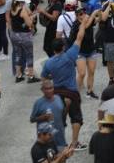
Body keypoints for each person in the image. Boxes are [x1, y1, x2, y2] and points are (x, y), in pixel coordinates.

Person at [41, 10, 96, 151]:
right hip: (71, 92)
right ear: (63, 47)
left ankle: (58, 144)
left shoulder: (48, 63)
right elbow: (79, 37)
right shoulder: (70, 55)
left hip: (57, 93)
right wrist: (83, 24)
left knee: (58, 121)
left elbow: (44, 78)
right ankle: (75, 143)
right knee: (76, 118)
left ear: (53, 50)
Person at [30, 80, 67, 151]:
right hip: (46, 139)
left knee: (62, 157)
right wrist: (42, 117)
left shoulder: (58, 98)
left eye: (51, 88)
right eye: (46, 89)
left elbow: (62, 112)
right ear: (42, 90)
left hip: (60, 136)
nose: (49, 91)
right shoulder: (38, 103)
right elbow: (32, 119)